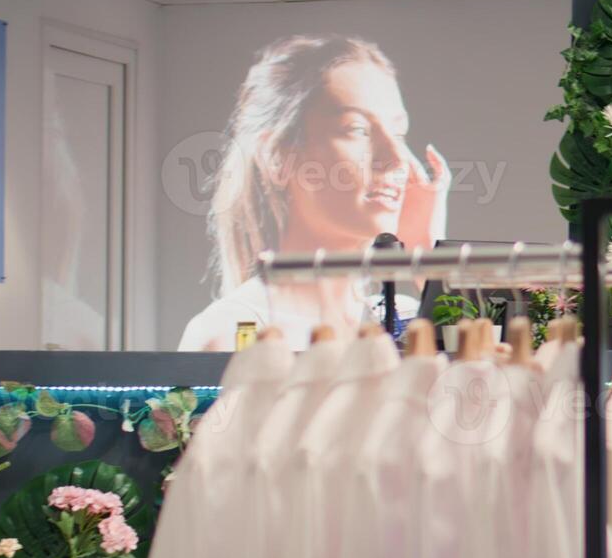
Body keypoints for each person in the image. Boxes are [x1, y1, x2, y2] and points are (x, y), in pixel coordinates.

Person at [179, 35, 449, 351]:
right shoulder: (230, 331)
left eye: (399, 132)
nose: (397, 157)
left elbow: (493, 391)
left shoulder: (403, 317)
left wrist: (429, 259)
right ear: (278, 157)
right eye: (357, 129)